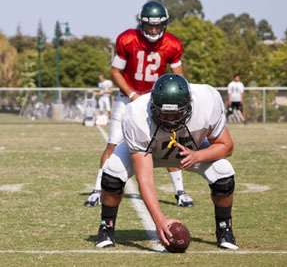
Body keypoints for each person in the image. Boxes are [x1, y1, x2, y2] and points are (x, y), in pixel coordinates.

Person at [95, 74, 238, 250]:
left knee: (223, 172)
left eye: (177, 113)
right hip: (149, 151)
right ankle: (106, 227)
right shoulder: (136, 113)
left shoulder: (208, 100)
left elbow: (227, 146)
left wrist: (197, 156)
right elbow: (145, 179)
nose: (171, 120)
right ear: (153, 106)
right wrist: (159, 219)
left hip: (189, 150)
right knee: (112, 171)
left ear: (189, 105)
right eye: (165, 114)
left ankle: (224, 229)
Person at [84, 1, 194, 208]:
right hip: (128, 98)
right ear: (142, 23)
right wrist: (133, 94)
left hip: (157, 102)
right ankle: (98, 189)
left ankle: (180, 191)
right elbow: (115, 72)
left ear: (165, 24)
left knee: (170, 143)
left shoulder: (172, 44)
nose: (153, 30)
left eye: (157, 25)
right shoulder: (128, 39)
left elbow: (179, 77)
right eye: (149, 25)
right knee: (113, 144)